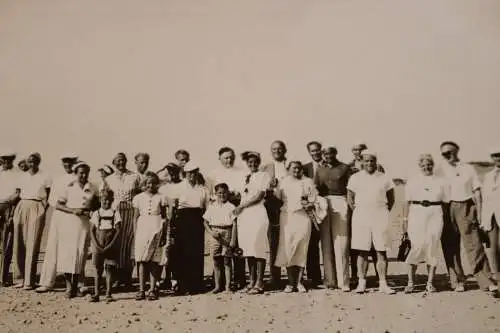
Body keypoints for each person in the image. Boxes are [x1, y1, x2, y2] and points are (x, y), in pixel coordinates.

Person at [436, 141, 498, 296]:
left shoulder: (468, 168)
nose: (448, 156)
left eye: (450, 152)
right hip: (445, 207)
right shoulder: (439, 170)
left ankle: (486, 281)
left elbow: (477, 191)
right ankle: (457, 280)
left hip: (465, 206)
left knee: (474, 244)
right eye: (444, 153)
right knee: (450, 245)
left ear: (457, 151)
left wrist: (479, 211)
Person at [347, 151, 396, 294]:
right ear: (362, 162)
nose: (369, 163)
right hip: (361, 215)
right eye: (367, 161)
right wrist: (361, 211)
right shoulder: (355, 178)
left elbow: (391, 200)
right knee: (362, 251)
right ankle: (362, 282)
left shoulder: (385, 178)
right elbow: (350, 199)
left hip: (380, 214)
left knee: (381, 250)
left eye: (372, 161)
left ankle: (383, 283)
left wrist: (380, 211)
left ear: (376, 161)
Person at [402, 154, 448, 293]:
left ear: (433, 165)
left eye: (429, 164)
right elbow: (406, 202)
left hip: (435, 213)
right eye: (423, 165)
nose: (426, 167)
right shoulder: (413, 180)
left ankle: (430, 283)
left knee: (432, 246)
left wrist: (443, 218)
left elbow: (445, 202)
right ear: (419, 166)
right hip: (416, 213)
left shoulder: (441, 181)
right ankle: (410, 282)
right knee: (417, 245)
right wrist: (404, 220)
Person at [36, 153, 79, 293]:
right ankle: (47, 282)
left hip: (74, 218)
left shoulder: (80, 177)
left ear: (75, 162)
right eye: (65, 162)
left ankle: (77, 283)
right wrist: (65, 207)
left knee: (74, 249)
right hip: (59, 216)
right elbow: (52, 200)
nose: (68, 165)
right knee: (53, 247)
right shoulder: (58, 179)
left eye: (71, 161)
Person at [55, 162, 98, 298]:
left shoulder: (92, 187)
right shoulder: (69, 187)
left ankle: (77, 287)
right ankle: (69, 288)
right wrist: (73, 210)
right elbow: (58, 205)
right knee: (68, 255)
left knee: (81, 254)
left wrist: (90, 211)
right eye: (81, 173)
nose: (84, 175)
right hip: (70, 223)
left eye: (86, 173)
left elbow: (97, 205)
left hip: (85, 224)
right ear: (76, 173)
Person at [275, 161, 318, 293]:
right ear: (288, 169)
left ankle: (299, 282)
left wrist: (309, 204)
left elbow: (314, 198)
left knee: (301, 247)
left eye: (299, 168)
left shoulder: (308, 181)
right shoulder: (283, 182)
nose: (296, 170)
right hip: (287, 217)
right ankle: (290, 282)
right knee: (288, 247)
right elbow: (278, 199)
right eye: (293, 168)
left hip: (303, 217)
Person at [207, 147, 246, 289]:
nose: (229, 160)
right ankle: (219, 282)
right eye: (225, 158)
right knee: (218, 252)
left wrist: (235, 195)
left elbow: (243, 191)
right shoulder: (213, 174)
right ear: (219, 158)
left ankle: (239, 279)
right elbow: (210, 194)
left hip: (236, 207)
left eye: (231, 157)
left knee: (236, 245)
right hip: (219, 209)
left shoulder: (241, 172)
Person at [12, 153, 52, 290]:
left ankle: (29, 281)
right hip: (22, 205)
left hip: (37, 205)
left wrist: (43, 208)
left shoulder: (45, 175)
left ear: (39, 162)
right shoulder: (21, 176)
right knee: (19, 243)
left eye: (34, 161)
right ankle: (19, 278)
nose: (32, 163)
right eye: (29, 161)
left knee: (33, 243)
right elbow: (17, 194)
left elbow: (49, 193)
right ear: (27, 162)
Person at [233, 151, 270, 294]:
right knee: (248, 249)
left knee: (258, 247)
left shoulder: (264, 175)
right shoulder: (244, 177)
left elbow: (259, 196)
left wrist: (241, 206)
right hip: (245, 216)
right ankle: (252, 281)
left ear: (259, 162)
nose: (252, 164)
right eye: (250, 162)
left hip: (257, 212)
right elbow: (241, 195)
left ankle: (260, 283)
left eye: (255, 161)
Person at [315, 147, 352, 291]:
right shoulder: (320, 170)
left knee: (341, 241)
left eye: (330, 153)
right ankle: (330, 280)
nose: (328, 156)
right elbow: (316, 188)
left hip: (340, 201)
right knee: (326, 242)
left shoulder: (344, 168)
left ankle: (344, 282)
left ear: (336, 153)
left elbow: (350, 188)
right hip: (324, 203)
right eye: (325, 153)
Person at [348, 142, 384, 284]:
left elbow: (384, 191)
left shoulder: (377, 167)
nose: (357, 152)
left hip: (377, 212)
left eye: (360, 149)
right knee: (358, 245)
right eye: (355, 149)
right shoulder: (349, 167)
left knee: (377, 246)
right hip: (358, 212)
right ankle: (357, 277)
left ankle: (378, 276)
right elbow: (350, 193)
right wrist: (356, 211)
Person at [171, 162, 209, 294]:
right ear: (185, 174)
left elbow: (206, 208)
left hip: (197, 219)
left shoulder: (203, 189)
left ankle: (196, 284)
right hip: (182, 219)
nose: (192, 175)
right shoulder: (178, 187)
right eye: (190, 173)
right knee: (181, 252)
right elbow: (173, 206)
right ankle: (182, 285)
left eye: (194, 172)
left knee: (196, 251)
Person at [106, 152, 141, 288]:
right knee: (116, 243)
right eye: (118, 161)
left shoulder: (134, 176)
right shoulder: (109, 179)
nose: (121, 163)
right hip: (116, 212)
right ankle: (115, 278)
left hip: (130, 211)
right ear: (114, 163)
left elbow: (139, 192)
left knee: (129, 243)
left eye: (123, 160)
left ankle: (127, 278)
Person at [132, 172, 167, 301]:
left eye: (152, 182)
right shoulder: (138, 198)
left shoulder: (161, 197)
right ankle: (141, 289)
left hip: (156, 226)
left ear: (156, 184)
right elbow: (135, 217)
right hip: (142, 228)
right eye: (147, 183)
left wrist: (163, 232)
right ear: (143, 184)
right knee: (141, 260)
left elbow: (164, 217)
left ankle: (152, 289)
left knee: (154, 260)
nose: (150, 185)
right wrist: (135, 233)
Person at [261, 140, 288, 288]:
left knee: (290, 240)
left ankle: (293, 276)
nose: (277, 151)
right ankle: (275, 276)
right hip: (273, 208)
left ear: (285, 150)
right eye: (274, 149)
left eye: (279, 148)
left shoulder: (290, 165)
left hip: (289, 206)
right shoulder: (266, 167)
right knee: (274, 242)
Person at [89, 189, 121, 303]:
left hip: (110, 245)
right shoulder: (97, 213)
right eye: (104, 200)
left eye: (109, 200)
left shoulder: (115, 213)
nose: (107, 202)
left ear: (112, 200)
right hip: (98, 244)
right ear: (100, 200)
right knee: (97, 269)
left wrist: (111, 245)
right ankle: (96, 293)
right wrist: (96, 245)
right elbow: (92, 230)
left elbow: (118, 231)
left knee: (109, 269)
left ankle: (108, 293)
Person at [203, 183, 237, 293]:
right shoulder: (212, 207)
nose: (222, 195)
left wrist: (233, 240)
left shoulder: (231, 207)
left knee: (227, 260)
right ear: (216, 194)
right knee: (216, 260)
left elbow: (234, 223)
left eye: (224, 193)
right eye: (219, 193)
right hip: (215, 233)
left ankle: (228, 286)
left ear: (228, 193)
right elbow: (205, 222)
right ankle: (217, 286)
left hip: (227, 232)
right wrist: (211, 232)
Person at [158, 163, 183, 290]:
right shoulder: (163, 188)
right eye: (169, 172)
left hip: (181, 221)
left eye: (174, 172)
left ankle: (176, 278)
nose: (172, 175)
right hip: (168, 221)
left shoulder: (183, 185)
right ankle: (167, 278)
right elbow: (162, 207)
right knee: (167, 250)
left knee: (177, 250)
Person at [302, 141, 323, 287]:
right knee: (311, 242)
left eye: (317, 150)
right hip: (310, 209)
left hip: (326, 206)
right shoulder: (305, 168)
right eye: (312, 151)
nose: (315, 153)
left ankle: (331, 275)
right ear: (309, 152)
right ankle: (314, 276)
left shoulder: (327, 165)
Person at [0, 150, 20, 287]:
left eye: (9, 159)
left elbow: (17, 193)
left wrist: (6, 202)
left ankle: (3, 277)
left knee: (6, 244)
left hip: (9, 207)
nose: (6, 161)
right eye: (3, 159)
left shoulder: (18, 173)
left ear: (13, 159)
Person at [481, 147, 500, 281]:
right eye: (495, 155)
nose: (498, 158)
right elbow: (485, 198)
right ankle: (497, 276)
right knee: (491, 247)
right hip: (490, 216)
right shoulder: (488, 176)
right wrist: (483, 218)